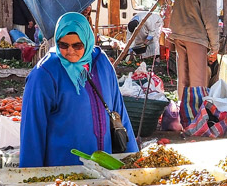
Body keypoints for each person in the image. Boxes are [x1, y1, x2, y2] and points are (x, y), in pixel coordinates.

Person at [20, 12, 138, 167]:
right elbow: (32, 131)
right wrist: (31, 175)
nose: (70, 51)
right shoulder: (44, 74)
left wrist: (132, 158)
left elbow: (119, 112)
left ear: (87, 41)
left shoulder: (100, 62)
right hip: (63, 174)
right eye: (63, 45)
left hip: (106, 169)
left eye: (77, 45)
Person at [168, 0, 219, 91]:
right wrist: (215, 46)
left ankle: (182, 108)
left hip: (179, 36)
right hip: (196, 37)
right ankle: (197, 110)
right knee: (198, 80)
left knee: (183, 79)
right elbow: (211, 20)